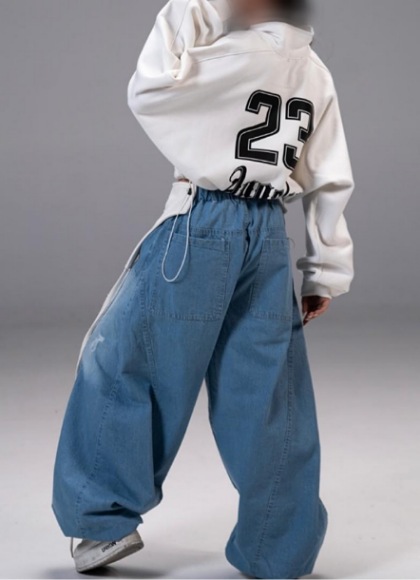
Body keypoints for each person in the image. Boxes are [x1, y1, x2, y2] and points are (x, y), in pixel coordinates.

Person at [51, 0, 355, 577]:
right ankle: (279, 550)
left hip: (201, 224)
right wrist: (325, 270)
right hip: (269, 237)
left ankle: (102, 523)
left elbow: (148, 90)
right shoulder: (314, 73)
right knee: (269, 395)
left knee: (127, 364)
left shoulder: (220, 54)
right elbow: (329, 175)